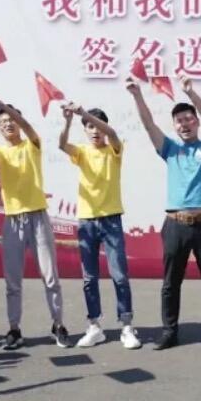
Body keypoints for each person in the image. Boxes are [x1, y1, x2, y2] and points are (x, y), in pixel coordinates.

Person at [126, 75, 201, 353]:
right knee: (170, 283)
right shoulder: (170, 149)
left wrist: (191, 93)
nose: (184, 124)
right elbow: (148, 124)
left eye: (188, 119)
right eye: (179, 121)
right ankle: (169, 332)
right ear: (174, 126)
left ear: (195, 122)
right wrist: (137, 95)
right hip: (176, 224)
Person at [0, 92, 69, 350]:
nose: (9, 124)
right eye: (3, 122)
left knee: (50, 277)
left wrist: (1, 104)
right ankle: (14, 329)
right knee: (13, 281)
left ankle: (58, 325)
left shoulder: (33, 144)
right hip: (13, 220)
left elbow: (28, 127)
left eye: (12, 119)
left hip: (38, 217)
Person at [60, 102, 139, 350]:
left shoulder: (114, 149)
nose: (95, 131)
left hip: (111, 219)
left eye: (98, 127)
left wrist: (84, 113)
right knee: (89, 277)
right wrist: (68, 120)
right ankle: (94, 326)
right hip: (86, 221)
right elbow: (62, 144)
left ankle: (127, 326)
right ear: (85, 130)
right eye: (90, 127)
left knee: (119, 275)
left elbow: (112, 134)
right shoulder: (82, 152)